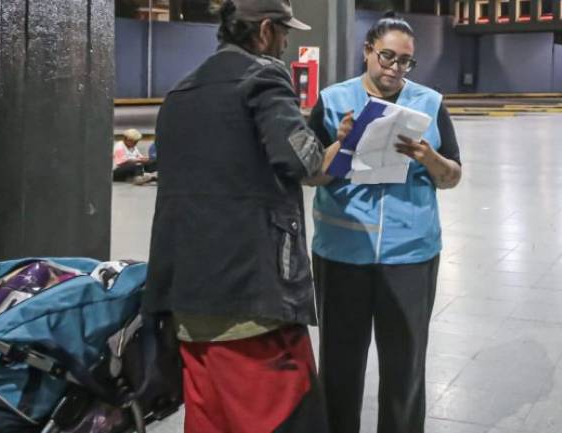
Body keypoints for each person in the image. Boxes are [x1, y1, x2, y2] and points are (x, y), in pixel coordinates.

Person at [142, 1, 343, 432]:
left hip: (188, 302)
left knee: (210, 421)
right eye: (285, 33)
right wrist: (337, 140)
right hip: (253, 302)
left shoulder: (180, 92)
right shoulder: (264, 76)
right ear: (266, 30)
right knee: (287, 418)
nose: (288, 43)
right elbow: (302, 162)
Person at [307, 13, 462, 433]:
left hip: (410, 256)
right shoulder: (333, 100)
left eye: (404, 61)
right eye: (387, 57)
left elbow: (452, 176)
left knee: (405, 367)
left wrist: (428, 157)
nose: (394, 68)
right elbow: (307, 175)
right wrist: (342, 144)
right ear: (367, 51)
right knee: (339, 365)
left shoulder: (429, 103)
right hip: (342, 254)